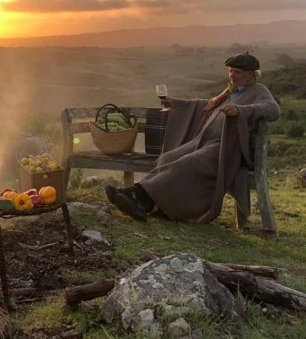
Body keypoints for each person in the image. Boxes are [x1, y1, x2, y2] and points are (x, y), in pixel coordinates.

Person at [105, 51, 281, 223]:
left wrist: (242, 110)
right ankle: (150, 203)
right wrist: (177, 103)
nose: (232, 75)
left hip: (225, 149)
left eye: (238, 72)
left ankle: (137, 196)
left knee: (187, 163)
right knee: (169, 157)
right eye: (230, 71)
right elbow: (206, 105)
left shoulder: (259, 90)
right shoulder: (230, 91)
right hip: (205, 142)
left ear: (252, 74)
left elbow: (273, 110)